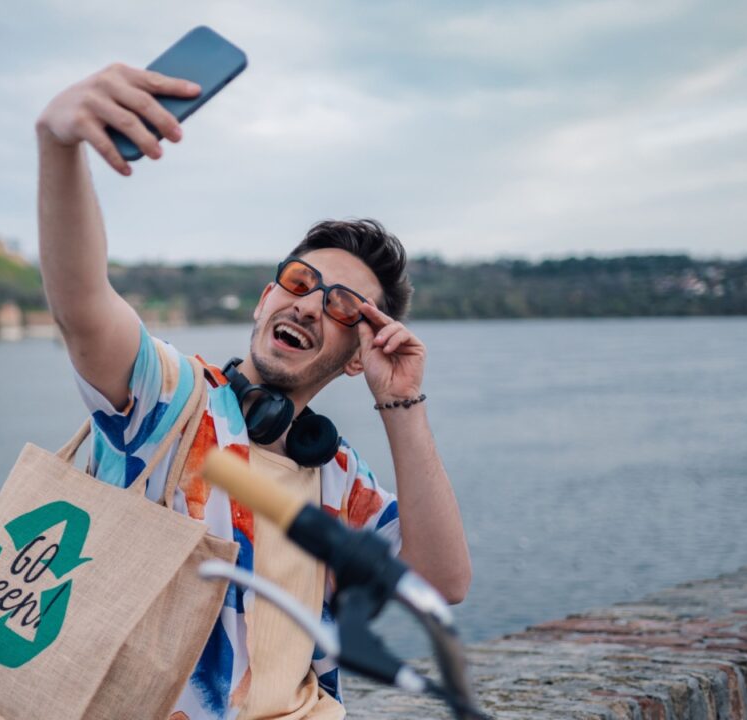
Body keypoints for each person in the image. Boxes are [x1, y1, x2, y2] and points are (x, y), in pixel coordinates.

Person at [35, 62, 471, 720]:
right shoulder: (171, 405)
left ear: (359, 357)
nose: (309, 306)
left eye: (344, 306)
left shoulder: (338, 478)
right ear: (267, 300)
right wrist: (58, 146)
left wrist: (402, 403)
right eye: (298, 283)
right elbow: (83, 305)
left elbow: (442, 582)